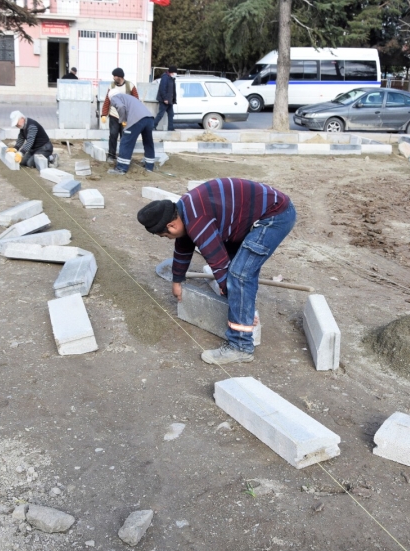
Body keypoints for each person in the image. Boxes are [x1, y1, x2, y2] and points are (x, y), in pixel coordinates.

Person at [137, 179, 296, 365]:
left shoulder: (197, 220)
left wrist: (242, 306)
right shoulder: (184, 210)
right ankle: (242, 321)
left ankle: (241, 347)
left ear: (172, 225)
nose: (168, 238)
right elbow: (183, 244)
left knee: (239, 275)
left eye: (166, 235)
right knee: (236, 270)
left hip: (274, 217)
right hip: (253, 216)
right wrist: (177, 280)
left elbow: (219, 264)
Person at [107, 93, 155, 175]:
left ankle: (121, 168)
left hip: (137, 120)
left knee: (126, 142)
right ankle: (149, 166)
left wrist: (123, 120)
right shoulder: (129, 97)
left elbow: (121, 107)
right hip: (149, 118)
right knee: (148, 143)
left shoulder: (114, 97)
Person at [100, 67, 139, 164]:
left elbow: (136, 101)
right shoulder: (112, 86)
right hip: (114, 115)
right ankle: (111, 155)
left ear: (120, 77)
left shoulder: (130, 86)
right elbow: (107, 101)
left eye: (115, 76)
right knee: (113, 135)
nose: (113, 78)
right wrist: (104, 114)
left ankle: (123, 156)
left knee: (124, 136)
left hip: (126, 116)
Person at [155, 66, 177, 131]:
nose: (176, 74)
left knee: (171, 114)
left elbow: (172, 90)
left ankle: (170, 128)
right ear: (171, 72)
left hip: (170, 100)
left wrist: (173, 99)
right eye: (175, 72)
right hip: (164, 100)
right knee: (161, 114)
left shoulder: (171, 78)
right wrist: (165, 99)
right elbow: (162, 89)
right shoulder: (165, 78)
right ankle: (153, 125)